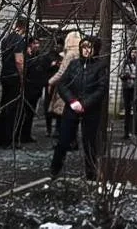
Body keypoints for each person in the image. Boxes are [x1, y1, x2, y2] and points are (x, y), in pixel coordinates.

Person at [50, 36, 107, 180]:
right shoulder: (74, 64)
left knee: (89, 143)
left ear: (95, 49)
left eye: (89, 47)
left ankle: (91, 174)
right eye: (84, 47)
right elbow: (62, 84)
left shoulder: (100, 66)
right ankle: (54, 170)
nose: (86, 50)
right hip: (72, 107)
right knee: (63, 140)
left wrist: (85, 104)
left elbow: (101, 89)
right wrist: (72, 101)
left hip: (91, 110)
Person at [0, 19, 28, 147]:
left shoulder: (5, 39)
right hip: (14, 77)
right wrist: (22, 77)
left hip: (5, 75)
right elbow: (19, 61)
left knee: (3, 106)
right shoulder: (19, 40)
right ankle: (8, 140)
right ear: (24, 27)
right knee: (12, 109)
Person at [46, 31, 82, 141]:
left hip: (66, 87)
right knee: (73, 117)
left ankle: (64, 140)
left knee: (62, 115)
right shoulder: (80, 54)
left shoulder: (70, 55)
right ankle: (72, 140)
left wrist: (50, 82)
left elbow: (62, 72)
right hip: (77, 88)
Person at [19, 36, 51, 143]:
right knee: (25, 113)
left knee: (30, 113)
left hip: (36, 89)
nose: (37, 45)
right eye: (35, 43)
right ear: (30, 44)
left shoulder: (37, 56)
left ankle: (26, 135)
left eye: (38, 43)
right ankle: (22, 135)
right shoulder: (28, 56)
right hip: (29, 88)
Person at [119, 46, 137, 140]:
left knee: (135, 110)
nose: (133, 54)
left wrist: (134, 76)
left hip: (136, 89)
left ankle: (135, 132)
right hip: (127, 88)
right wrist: (124, 76)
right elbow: (121, 73)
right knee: (127, 110)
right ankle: (126, 132)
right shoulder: (125, 63)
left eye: (135, 52)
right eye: (132, 52)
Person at [43, 36, 63, 137]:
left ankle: (57, 129)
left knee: (58, 106)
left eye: (60, 46)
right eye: (56, 45)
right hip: (50, 84)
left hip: (59, 85)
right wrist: (53, 65)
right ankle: (49, 128)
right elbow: (44, 69)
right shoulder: (47, 56)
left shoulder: (61, 57)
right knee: (48, 106)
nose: (58, 47)